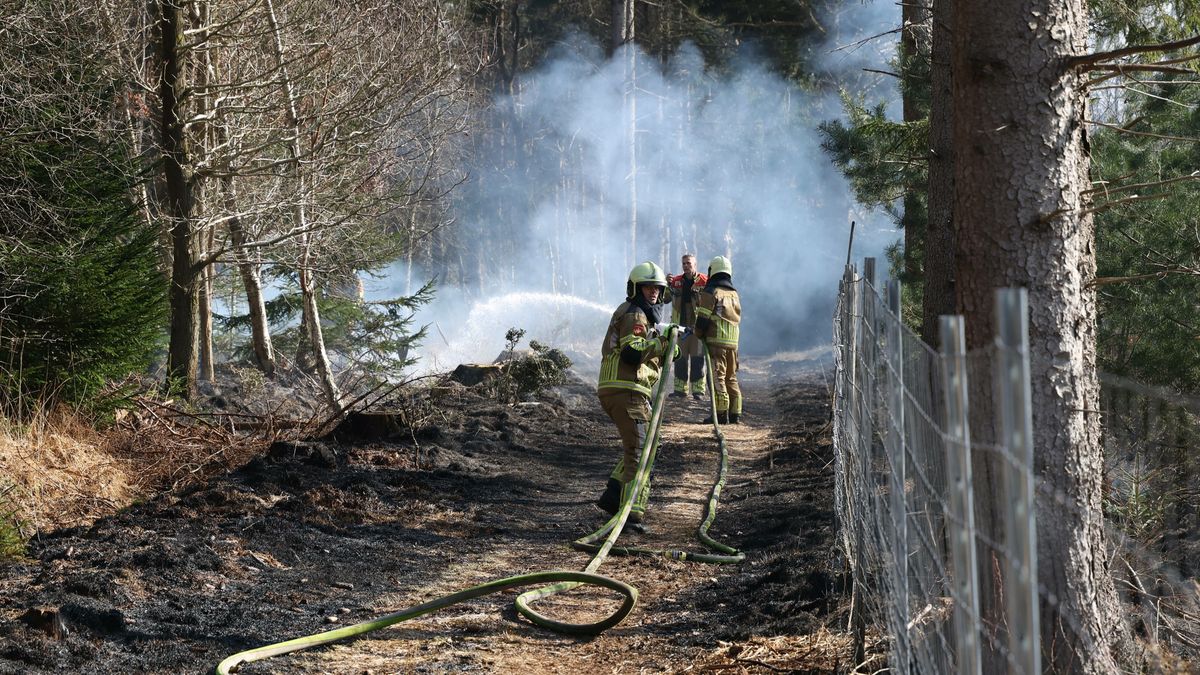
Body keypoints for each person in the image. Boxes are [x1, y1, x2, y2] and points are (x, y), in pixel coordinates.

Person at [595, 261, 680, 524]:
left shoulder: (643, 316)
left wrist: (669, 347)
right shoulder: (635, 314)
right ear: (636, 288)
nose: (653, 292)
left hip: (625, 390)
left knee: (644, 445)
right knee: (642, 451)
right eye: (647, 288)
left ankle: (614, 496)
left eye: (657, 288)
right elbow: (633, 353)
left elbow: (646, 349)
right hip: (626, 390)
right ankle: (631, 511)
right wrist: (663, 342)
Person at [695, 255, 742, 424]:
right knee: (731, 377)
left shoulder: (711, 291)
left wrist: (698, 333)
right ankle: (736, 414)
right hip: (733, 342)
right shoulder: (734, 293)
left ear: (711, 271)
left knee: (718, 377)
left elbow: (703, 318)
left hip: (716, 341)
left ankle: (721, 415)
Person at [664, 253, 708, 400]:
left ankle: (698, 391)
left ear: (695, 264)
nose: (686, 266)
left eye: (689, 263)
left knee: (697, 359)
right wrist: (666, 285)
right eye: (683, 263)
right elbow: (665, 299)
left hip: (697, 328)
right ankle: (680, 390)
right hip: (680, 328)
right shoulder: (676, 282)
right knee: (680, 359)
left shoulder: (704, 281)